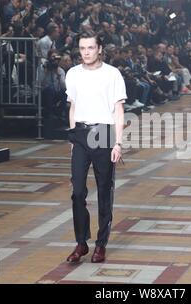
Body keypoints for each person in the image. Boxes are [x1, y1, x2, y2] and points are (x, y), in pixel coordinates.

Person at [65, 31, 126, 264]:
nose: (86, 52)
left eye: (90, 48)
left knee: (104, 191)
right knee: (77, 190)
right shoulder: (72, 74)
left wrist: (118, 143)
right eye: (82, 48)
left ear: (100, 48)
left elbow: (118, 110)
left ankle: (101, 244)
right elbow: (73, 107)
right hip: (80, 133)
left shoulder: (112, 74)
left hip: (104, 132)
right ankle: (81, 243)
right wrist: (73, 138)